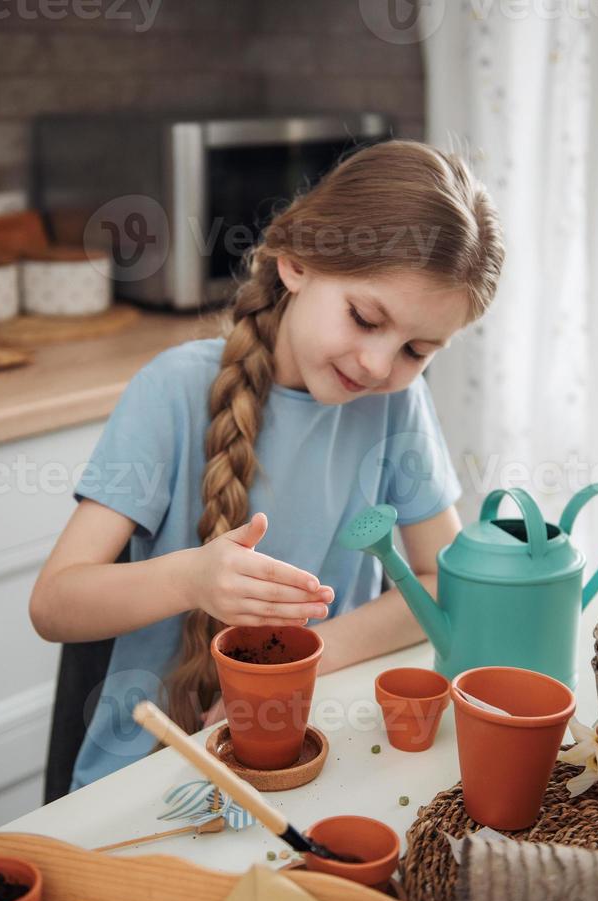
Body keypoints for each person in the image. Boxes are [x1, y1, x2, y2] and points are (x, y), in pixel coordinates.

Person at [30, 140, 505, 791]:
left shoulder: (396, 406)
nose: (376, 364)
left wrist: (310, 663)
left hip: (317, 751)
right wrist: (193, 579)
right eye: (365, 317)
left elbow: (446, 585)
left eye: (416, 349)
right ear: (297, 261)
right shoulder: (173, 390)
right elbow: (54, 604)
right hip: (150, 773)